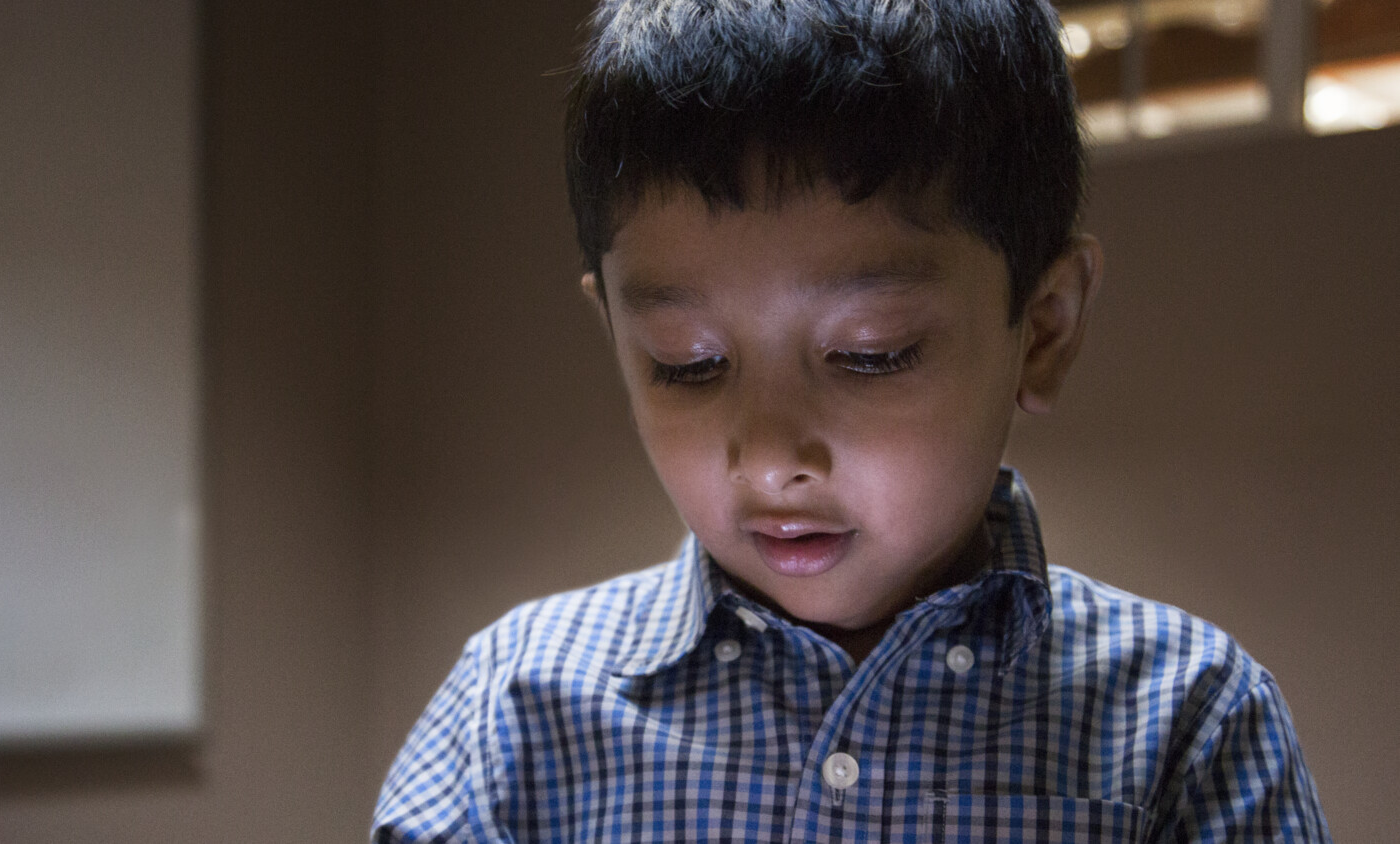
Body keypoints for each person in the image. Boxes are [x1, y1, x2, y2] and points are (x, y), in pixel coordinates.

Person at [373, 0, 1330, 840]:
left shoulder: (1186, 723)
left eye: (869, 353)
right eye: (688, 363)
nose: (772, 459)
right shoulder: (514, 710)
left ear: (1042, 329)